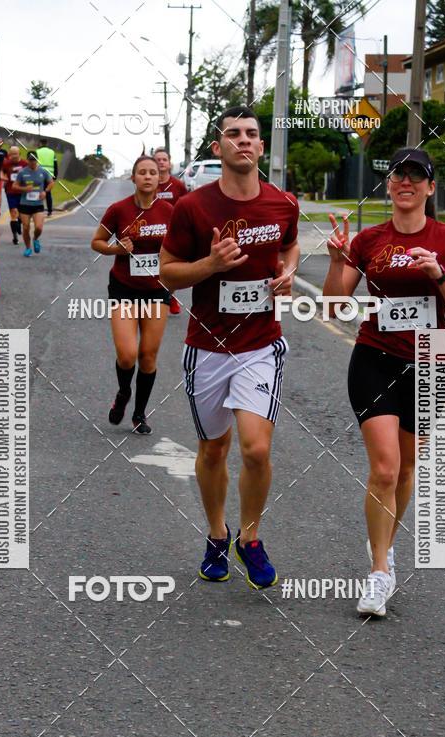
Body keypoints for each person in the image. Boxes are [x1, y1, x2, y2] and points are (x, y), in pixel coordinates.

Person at [323, 148, 445, 618]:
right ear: (389, 185)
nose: (405, 182)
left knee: (407, 469)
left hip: (429, 360)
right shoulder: (369, 240)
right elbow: (332, 306)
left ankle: (384, 556)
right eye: (398, 175)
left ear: (431, 188)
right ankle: (379, 568)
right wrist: (335, 260)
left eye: (416, 176)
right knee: (385, 468)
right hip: (375, 357)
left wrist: (438, 274)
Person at [160, 106, 300, 590]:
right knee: (213, 449)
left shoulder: (283, 204)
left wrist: (288, 272)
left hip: (262, 344)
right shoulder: (193, 208)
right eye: (234, 134)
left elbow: (288, 245)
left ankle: (251, 537)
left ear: (262, 147)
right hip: (207, 348)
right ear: (217, 148)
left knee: (256, 450)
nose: (244, 140)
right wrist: (211, 264)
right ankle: (217, 533)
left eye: (253, 134)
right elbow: (167, 273)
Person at [90, 155, 172, 435]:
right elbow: (97, 242)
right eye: (142, 172)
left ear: (159, 178)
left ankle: (139, 413)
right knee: (127, 356)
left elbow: (183, 246)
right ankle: (124, 392)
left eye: (153, 172)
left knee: (148, 355)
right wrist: (117, 250)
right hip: (124, 289)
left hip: (156, 290)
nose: (148, 176)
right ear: (134, 178)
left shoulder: (170, 212)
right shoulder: (118, 210)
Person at [154, 147, 188, 316]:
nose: (161, 162)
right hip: (151, 231)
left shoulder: (178, 185)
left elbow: (186, 207)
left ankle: (169, 295)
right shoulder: (148, 183)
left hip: (173, 233)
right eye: (158, 159)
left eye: (164, 159)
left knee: (171, 269)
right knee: (152, 269)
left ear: (169, 163)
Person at [14, 152, 53, 257]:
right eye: (31, 160)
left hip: (38, 204)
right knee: (26, 227)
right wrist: (24, 189)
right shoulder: (22, 172)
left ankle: (35, 239)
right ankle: (27, 248)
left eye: (34, 160)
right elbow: (14, 186)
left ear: (37, 160)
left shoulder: (43, 172)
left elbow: (51, 183)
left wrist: (45, 191)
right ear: (27, 160)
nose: (33, 162)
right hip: (25, 204)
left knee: (39, 227)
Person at [0, 146, 25, 244]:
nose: (13, 156)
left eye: (15, 154)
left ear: (19, 154)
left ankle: (19, 223)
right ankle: (15, 236)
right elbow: (1, 172)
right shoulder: (6, 163)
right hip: (10, 191)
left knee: (22, 214)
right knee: (13, 212)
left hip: (22, 192)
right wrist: (3, 178)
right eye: (12, 154)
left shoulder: (24, 164)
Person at [35, 138, 58, 216]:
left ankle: (38, 209)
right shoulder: (52, 152)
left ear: (40, 143)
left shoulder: (37, 152)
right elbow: (55, 165)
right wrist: (55, 177)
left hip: (39, 174)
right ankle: (50, 211)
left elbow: (33, 164)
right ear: (47, 144)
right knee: (48, 193)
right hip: (49, 176)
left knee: (38, 192)